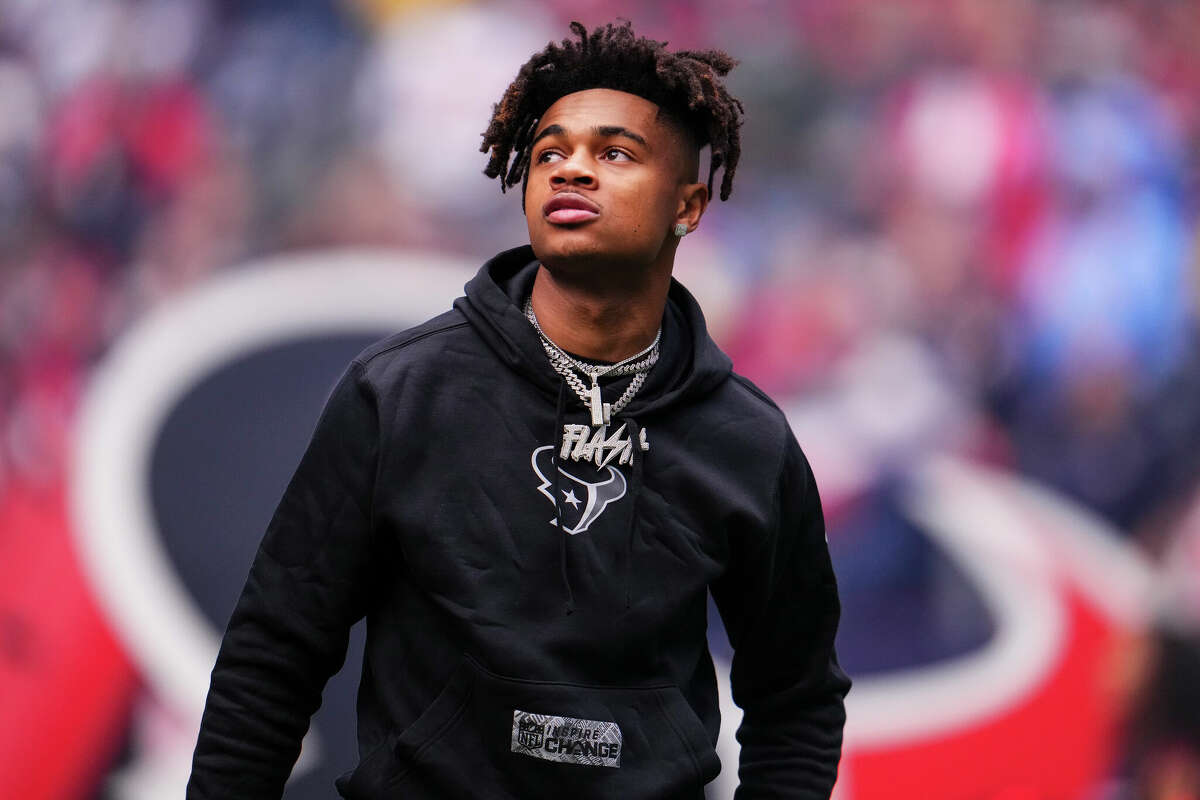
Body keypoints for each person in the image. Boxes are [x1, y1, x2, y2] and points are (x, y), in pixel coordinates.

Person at [186, 20, 850, 800]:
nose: (572, 170)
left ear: (689, 204)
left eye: (614, 153)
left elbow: (797, 703)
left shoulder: (747, 441)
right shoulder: (401, 393)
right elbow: (273, 654)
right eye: (549, 152)